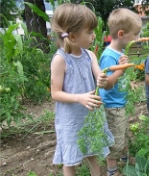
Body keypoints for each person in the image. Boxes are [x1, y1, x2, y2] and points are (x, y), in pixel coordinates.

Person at [50, 3, 114, 176]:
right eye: (90, 32)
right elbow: (55, 93)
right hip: (71, 120)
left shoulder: (90, 55)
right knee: (70, 161)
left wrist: (102, 78)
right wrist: (80, 98)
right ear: (72, 36)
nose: (94, 36)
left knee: (92, 153)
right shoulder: (60, 60)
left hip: (90, 116)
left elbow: (101, 77)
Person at [99, 8, 142, 176]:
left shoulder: (121, 52)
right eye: (136, 34)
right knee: (115, 140)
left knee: (124, 134)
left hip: (120, 104)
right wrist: (120, 72)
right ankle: (112, 170)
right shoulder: (109, 56)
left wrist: (129, 82)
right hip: (112, 106)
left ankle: (124, 160)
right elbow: (106, 84)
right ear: (122, 34)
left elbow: (119, 79)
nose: (138, 39)